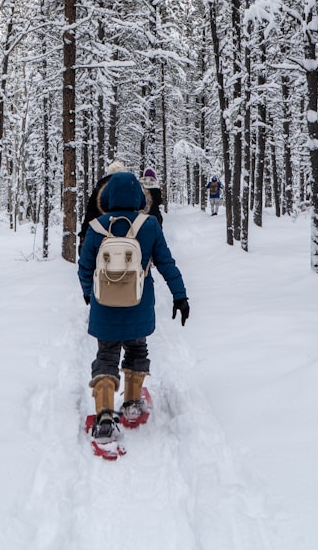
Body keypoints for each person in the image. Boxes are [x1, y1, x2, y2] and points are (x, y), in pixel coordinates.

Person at [78, 170, 189, 440]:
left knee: (106, 355)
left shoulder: (96, 227)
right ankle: (131, 403)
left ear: (108, 197)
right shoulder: (150, 225)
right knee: (137, 349)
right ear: (139, 196)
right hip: (139, 303)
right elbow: (166, 263)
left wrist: (88, 294)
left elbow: (84, 267)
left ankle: (104, 413)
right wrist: (180, 296)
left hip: (104, 304)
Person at [78, 160, 125, 256]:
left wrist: (83, 239)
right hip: (127, 241)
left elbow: (90, 217)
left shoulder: (97, 192)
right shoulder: (132, 193)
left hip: (101, 241)